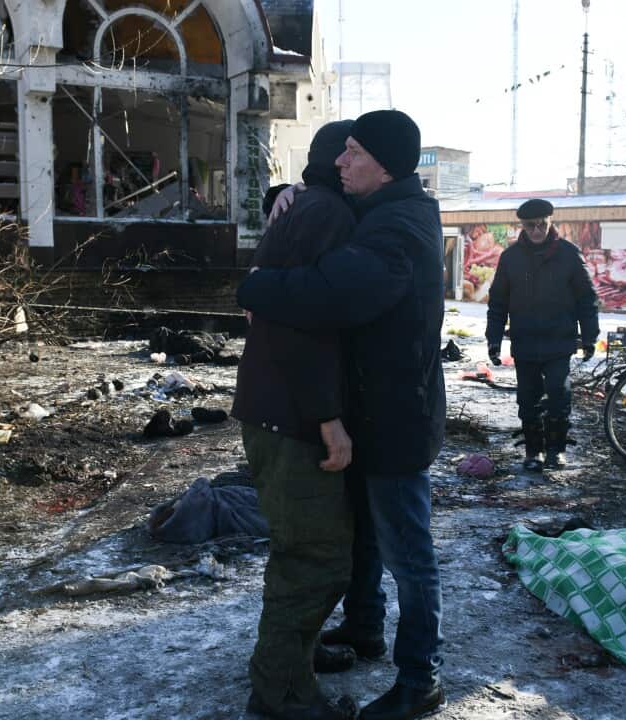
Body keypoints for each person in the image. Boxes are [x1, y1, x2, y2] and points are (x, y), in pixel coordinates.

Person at [238, 109, 447, 720]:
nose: (340, 162)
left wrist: (254, 286)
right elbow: (320, 206)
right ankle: (363, 630)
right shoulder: (381, 210)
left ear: (384, 166)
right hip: (371, 415)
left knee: (409, 555)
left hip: (395, 422)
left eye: (353, 152)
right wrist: (288, 194)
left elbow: (329, 291)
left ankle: (420, 679)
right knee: (364, 542)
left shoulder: (396, 231)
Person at [230, 122, 359, 720]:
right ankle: (278, 689)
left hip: (274, 408)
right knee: (314, 557)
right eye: (358, 152)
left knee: (306, 552)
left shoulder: (305, 207)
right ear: (340, 162)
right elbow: (295, 326)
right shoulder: (326, 214)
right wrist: (327, 419)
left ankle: (292, 660)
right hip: (290, 415)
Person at [486, 199, 600, 471]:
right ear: (521, 226)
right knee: (527, 399)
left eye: (542, 224)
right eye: (530, 225)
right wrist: (493, 338)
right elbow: (498, 301)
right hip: (525, 341)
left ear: (550, 222)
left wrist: (590, 336)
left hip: (559, 340)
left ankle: (556, 451)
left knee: (559, 396)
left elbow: (587, 298)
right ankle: (533, 452)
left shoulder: (569, 254)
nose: (537, 230)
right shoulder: (510, 257)